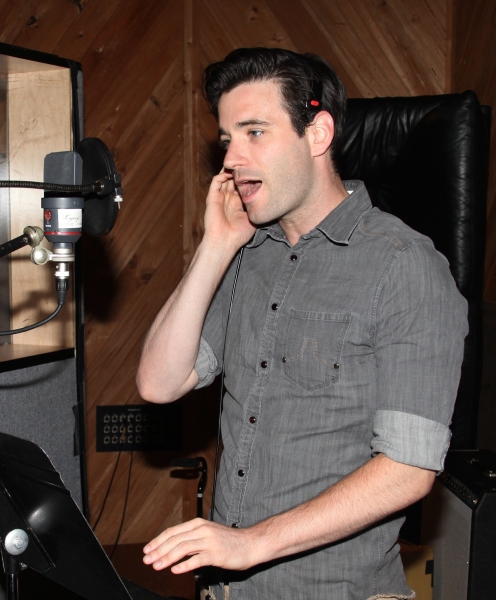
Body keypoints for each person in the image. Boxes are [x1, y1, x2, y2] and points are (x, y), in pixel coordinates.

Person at [137, 48, 468, 600]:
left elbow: (409, 469)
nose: (232, 160)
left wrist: (251, 544)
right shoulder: (247, 253)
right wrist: (215, 247)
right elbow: (159, 382)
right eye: (226, 140)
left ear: (318, 134)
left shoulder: (405, 266)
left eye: (255, 133)